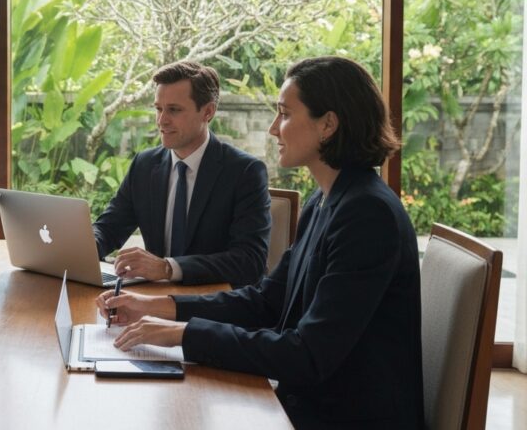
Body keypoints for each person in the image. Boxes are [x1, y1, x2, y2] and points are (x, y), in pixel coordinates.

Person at [97, 57, 423, 428]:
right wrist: (158, 307)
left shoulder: (367, 215)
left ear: (328, 124)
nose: (272, 129)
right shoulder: (327, 200)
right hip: (313, 402)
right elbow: (267, 302)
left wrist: (183, 334)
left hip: (342, 417)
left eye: (284, 114)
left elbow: (307, 354)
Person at [92, 61, 270, 287]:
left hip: (211, 305)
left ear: (208, 111)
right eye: (158, 108)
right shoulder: (144, 165)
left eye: (174, 110)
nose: (161, 120)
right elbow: (109, 227)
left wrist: (168, 268)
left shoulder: (245, 172)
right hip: (150, 301)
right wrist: (80, 249)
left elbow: (250, 261)